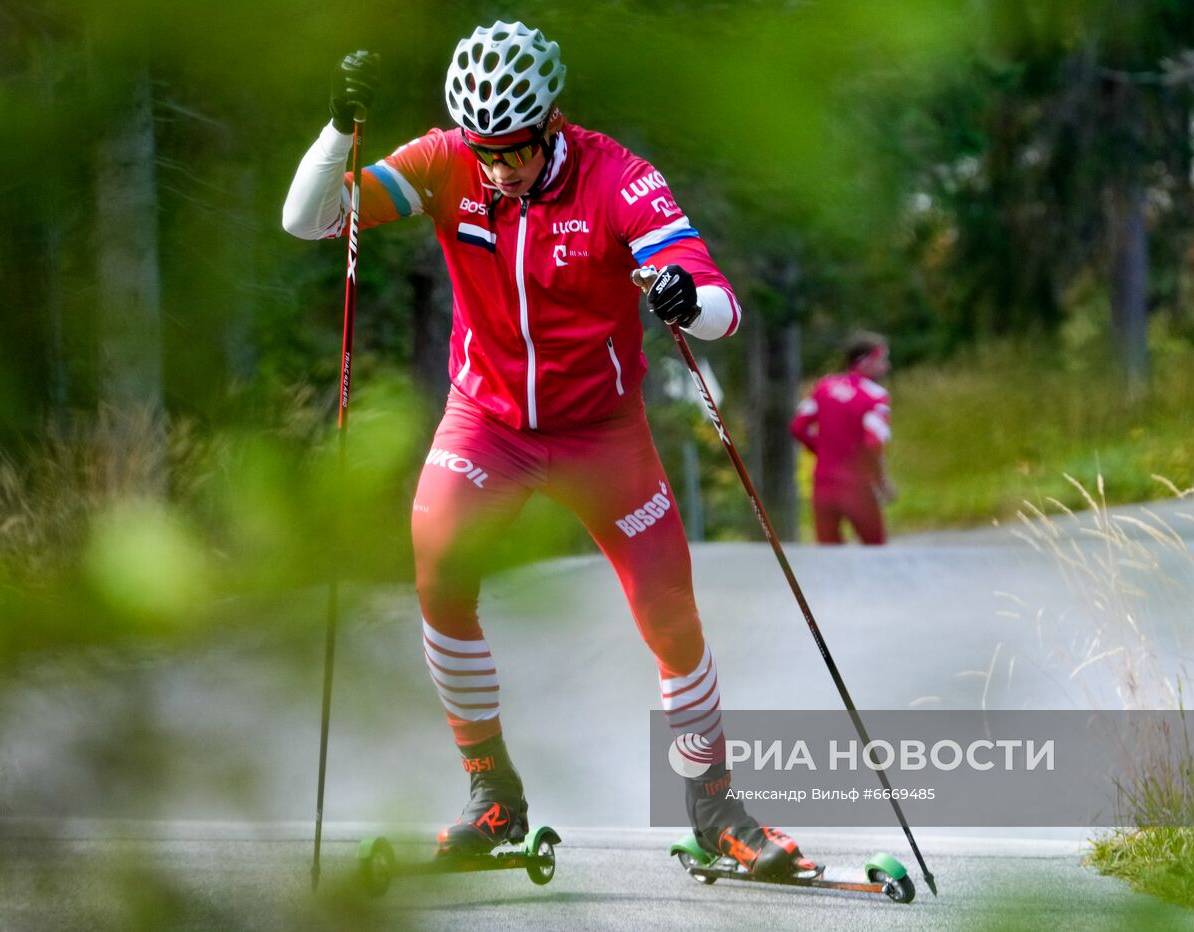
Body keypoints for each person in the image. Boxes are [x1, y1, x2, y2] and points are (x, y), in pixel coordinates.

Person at [282, 22, 813, 878]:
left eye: (517, 151)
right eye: (485, 152)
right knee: (439, 573)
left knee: (669, 616)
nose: (499, 169)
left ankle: (715, 806)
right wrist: (339, 127)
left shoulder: (617, 177)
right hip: (486, 419)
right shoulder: (445, 161)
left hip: (600, 431)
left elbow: (720, 308)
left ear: (552, 121)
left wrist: (686, 296)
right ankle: (492, 796)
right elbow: (308, 220)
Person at [790, 332, 894, 545]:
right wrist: (881, 481)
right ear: (865, 361)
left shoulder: (825, 387)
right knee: (877, 551)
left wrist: (824, 450)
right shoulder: (875, 396)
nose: (886, 366)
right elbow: (873, 444)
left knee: (829, 555)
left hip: (824, 483)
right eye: (882, 359)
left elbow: (798, 426)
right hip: (859, 485)